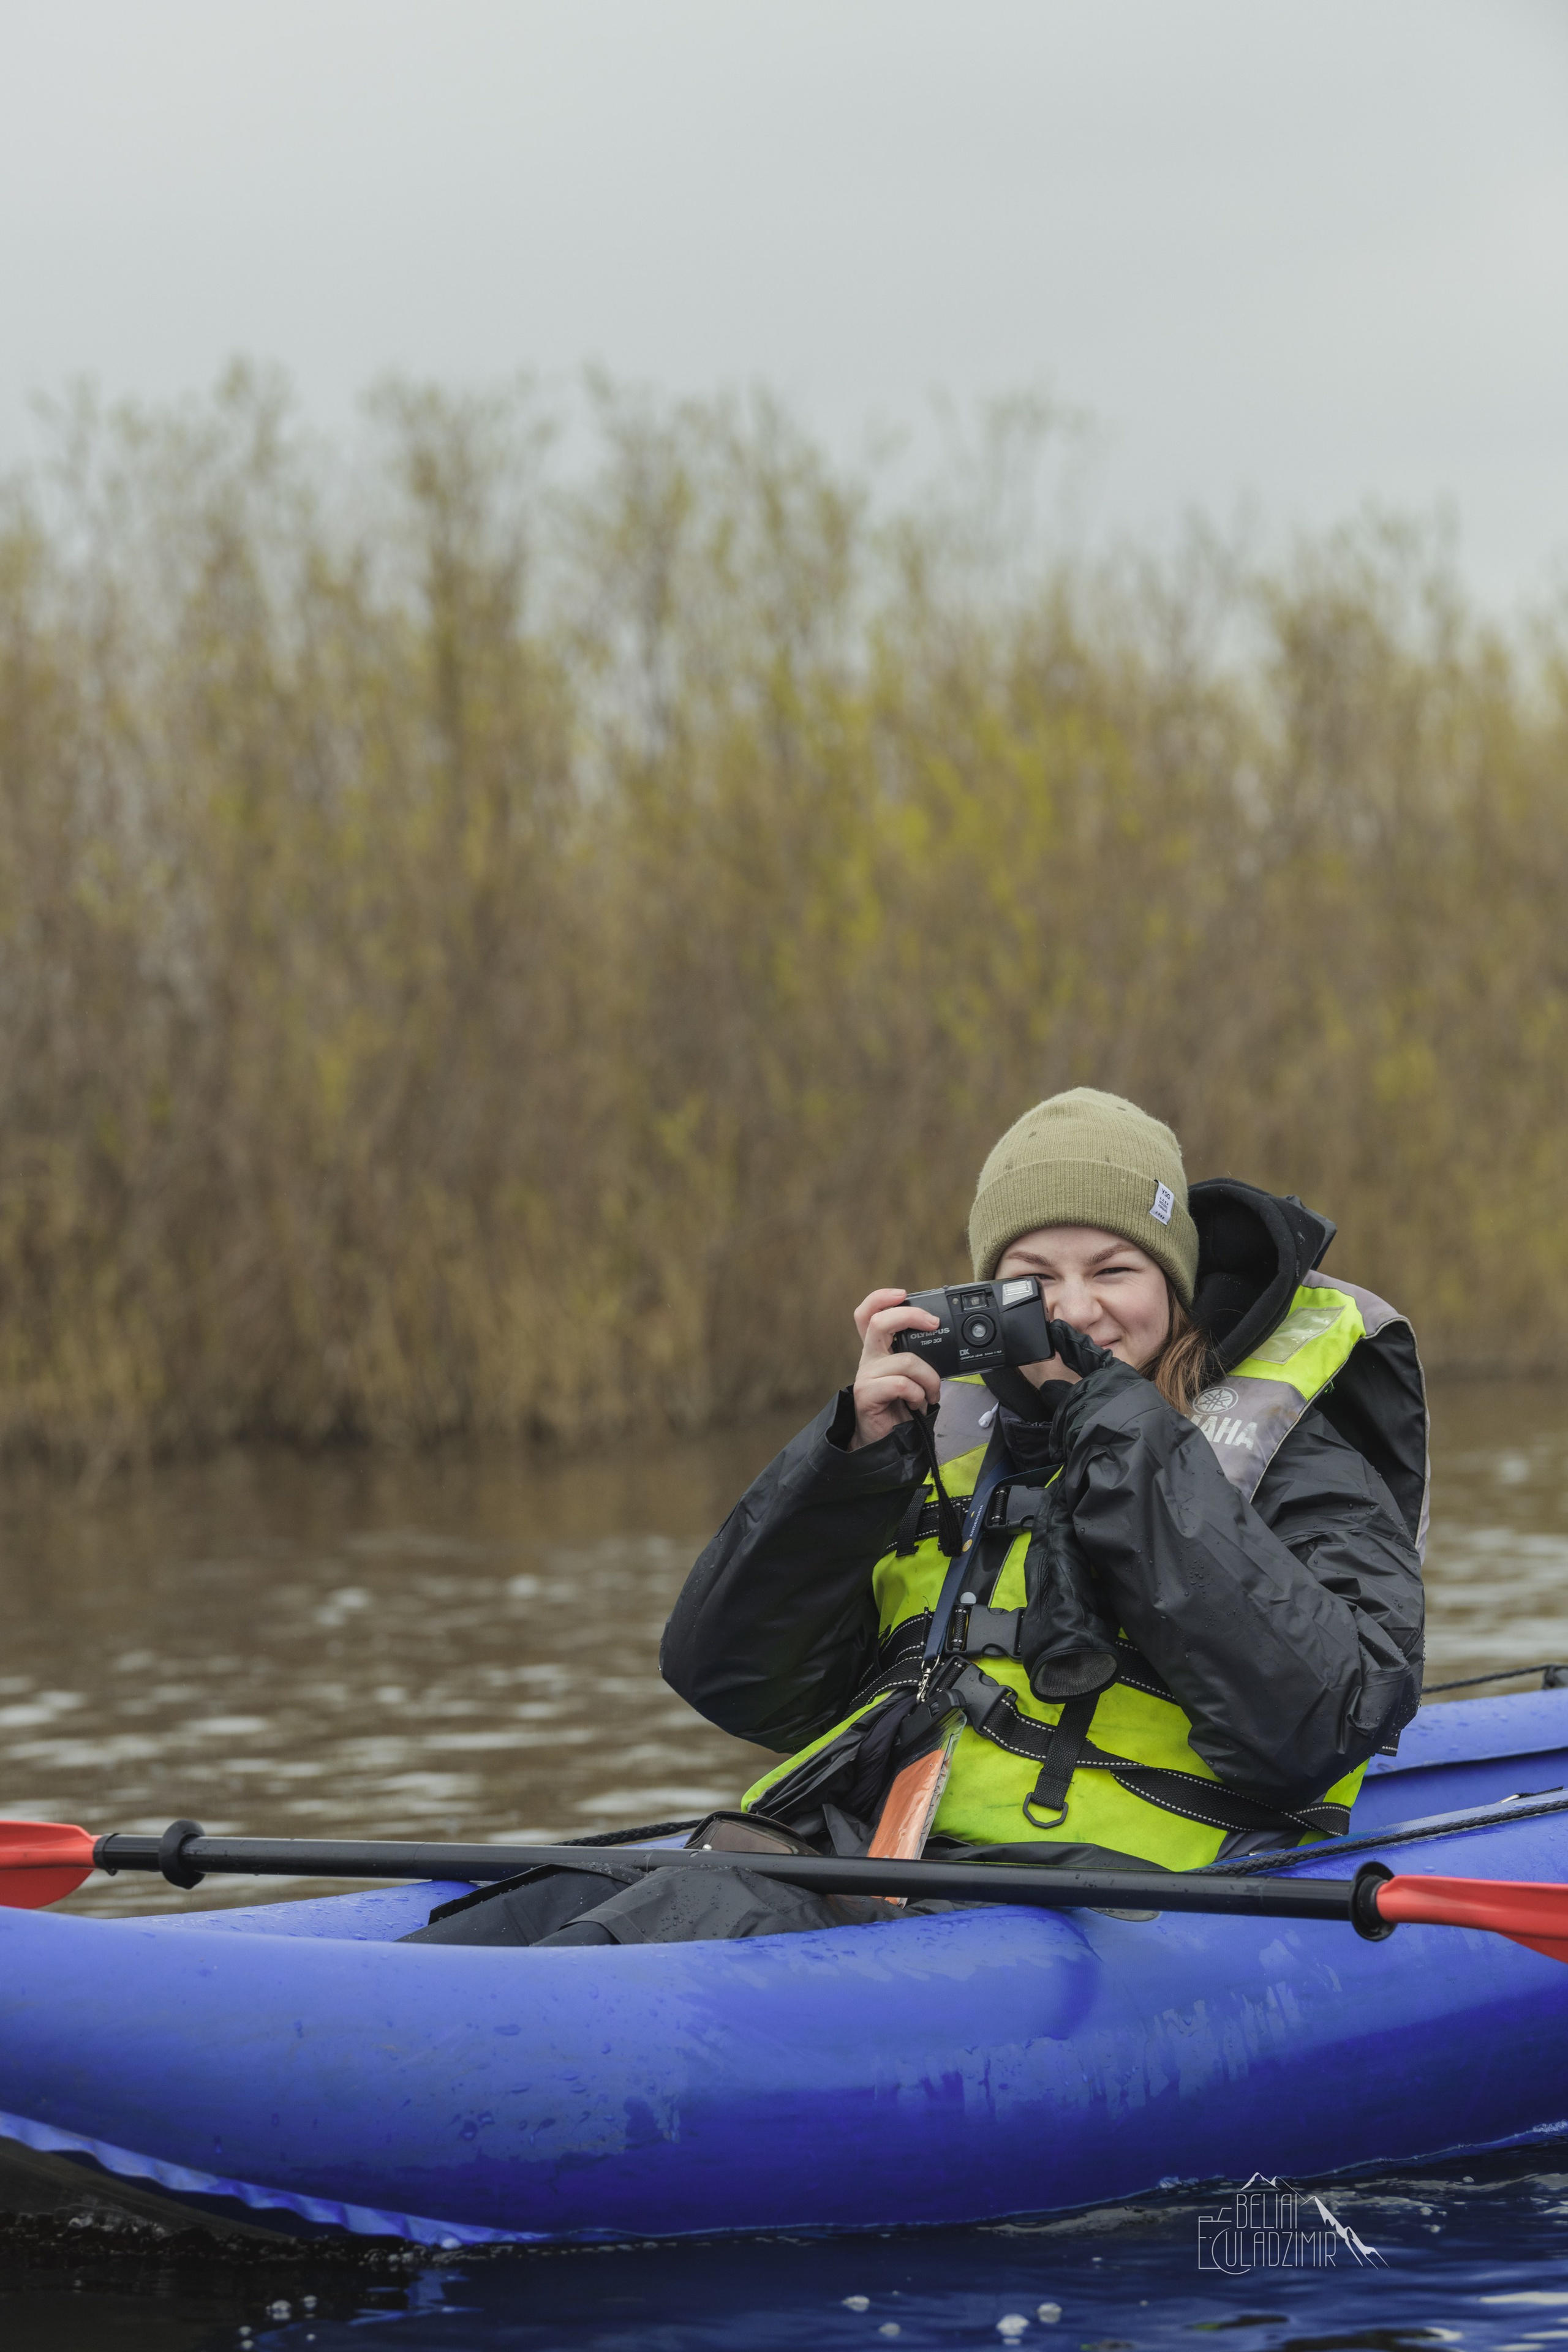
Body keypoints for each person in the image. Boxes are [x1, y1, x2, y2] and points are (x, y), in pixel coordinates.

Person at [409, 1088, 1426, 1948]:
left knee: (679, 1927)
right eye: (1035, 1278)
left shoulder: (1302, 1462)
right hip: (874, 1855)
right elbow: (738, 1685)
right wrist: (849, 1461)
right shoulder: (945, 1442)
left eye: (1114, 1271)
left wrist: (1118, 1428)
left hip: (1102, 1895)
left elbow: (1328, 1721)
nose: (1076, 1310)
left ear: (1176, 1284)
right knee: (534, 1915)